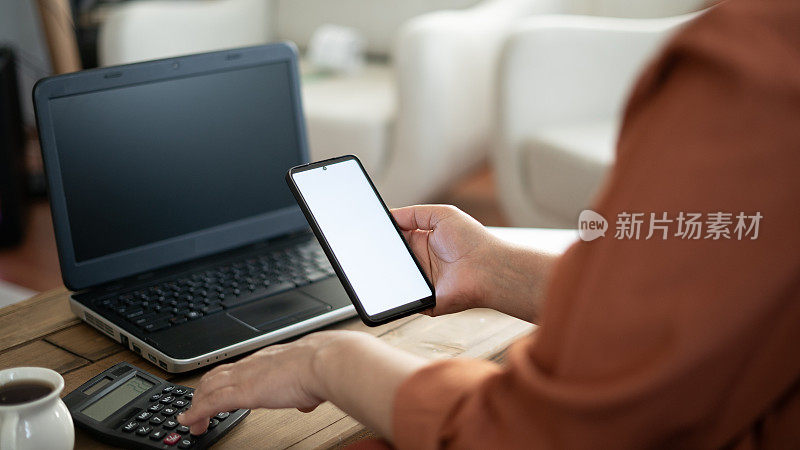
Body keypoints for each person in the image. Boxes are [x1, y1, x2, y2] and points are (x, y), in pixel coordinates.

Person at [178, 0, 800, 447]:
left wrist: (326, 360)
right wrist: (497, 269)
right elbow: (721, 311)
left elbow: (543, 432)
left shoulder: (753, 71)